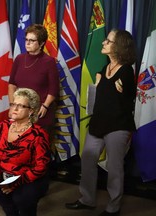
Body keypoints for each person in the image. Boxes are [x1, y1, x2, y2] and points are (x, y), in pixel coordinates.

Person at [65, 29, 137, 216]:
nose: (103, 43)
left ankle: (113, 207)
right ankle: (87, 199)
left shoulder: (127, 71)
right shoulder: (104, 69)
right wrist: (99, 77)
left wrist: (117, 87)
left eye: (108, 41)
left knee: (114, 168)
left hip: (118, 126)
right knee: (87, 160)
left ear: (119, 46)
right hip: (98, 124)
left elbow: (126, 95)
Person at [0, 88, 51, 216]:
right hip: (5, 174)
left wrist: (15, 184)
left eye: (21, 106)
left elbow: (41, 167)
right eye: (13, 104)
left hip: (28, 179)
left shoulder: (38, 134)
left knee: (22, 199)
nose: (14, 109)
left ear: (31, 111)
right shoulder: (3, 126)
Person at [8, 24, 59, 136]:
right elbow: (12, 84)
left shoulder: (49, 62)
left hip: (40, 114)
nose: (27, 43)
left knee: (38, 150)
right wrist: (13, 106)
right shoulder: (19, 59)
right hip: (21, 113)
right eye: (26, 39)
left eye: (32, 40)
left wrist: (45, 105)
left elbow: (54, 89)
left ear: (41, 43)